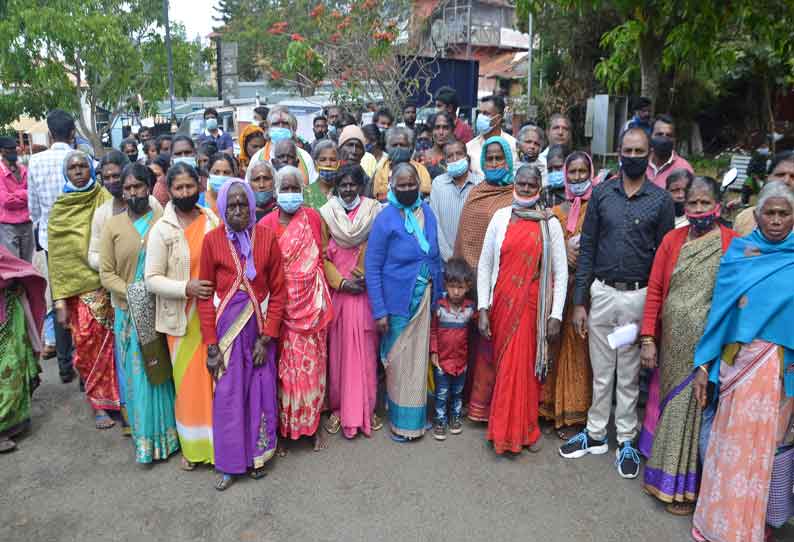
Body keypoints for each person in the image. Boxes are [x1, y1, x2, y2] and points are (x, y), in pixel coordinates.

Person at [559, 127, 675, 480]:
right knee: (600, 366)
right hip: (603, 295)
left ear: (649, 152)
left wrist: (653, 317)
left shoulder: (660, 200)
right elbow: (589, 247)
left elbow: (664, 260)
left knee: (626, 371)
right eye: (628, 150)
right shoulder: (604, 195)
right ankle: (595, 433)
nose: (634, 156)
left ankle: (625, 438)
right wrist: (580, 302)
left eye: (640, 151)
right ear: (618, 152)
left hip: (636, 299)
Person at [691, 180, 794, 542]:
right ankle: (715, 525)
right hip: (739, 366)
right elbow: (719, 314)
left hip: (778, 373)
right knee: (727, 450)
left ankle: (746, 529)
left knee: (763, 454)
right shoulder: (740, 254)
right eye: (771, 212)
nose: (777, 220)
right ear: (757, 215)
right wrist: (703, 365)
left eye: (785, 213)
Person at [637, 176, 738, 515]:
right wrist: (648, 338)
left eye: (704, 203)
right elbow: (654, 291)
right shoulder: (672, 240)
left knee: (694, 411)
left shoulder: (731, 243)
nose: (697, 209)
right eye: (692, 203)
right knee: (673, 408)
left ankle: (684, 490)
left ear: (717, 206)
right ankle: (666, 481)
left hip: (708, 347)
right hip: (671, 346)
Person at [197, 179, 286, 490]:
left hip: (259, 332)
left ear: (251, 205)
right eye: (231, 205)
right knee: (228, 395)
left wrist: (267, 337)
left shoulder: (267, 238)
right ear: (222, 208)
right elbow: (204, 296)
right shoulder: (211, 241)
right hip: (227, 335)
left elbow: (278, 291)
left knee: (259, 393)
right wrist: (211, 345)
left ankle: (256, 457)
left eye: (242, 204)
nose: (237, 210)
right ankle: (229, 464)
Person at [477, 165, 567, 454]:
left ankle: (525, 430)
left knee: (525, 369)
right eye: (522, 183)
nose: (526, 188)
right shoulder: (501, 217)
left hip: (531, 306)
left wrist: (556, 314)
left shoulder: (549, 221)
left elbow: (561, 272)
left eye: (531, 184)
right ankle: (502, 431)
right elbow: (485, 264)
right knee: (504, 367)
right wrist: (482, 307)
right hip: (502, 301)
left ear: (539, 186)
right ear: (514, 183)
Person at [99, 162, 178, 464]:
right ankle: (147, 440)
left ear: (149, 187)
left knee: (163, 372)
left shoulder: (162, 220)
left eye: (139, 186)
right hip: (129, 312)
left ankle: (170, 436)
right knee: (140, 374)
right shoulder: (113, 226)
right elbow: (106, 273)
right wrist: (134, 293)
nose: (133, 192)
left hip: (161, 309)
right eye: (128, 187)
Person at [144, 162, 219, 469]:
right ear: (170, 191)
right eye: (179, 188)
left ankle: (219, 447)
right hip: (180, 319)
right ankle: (193, 449)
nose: (185, 192)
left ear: (199, 187)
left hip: (213, 316)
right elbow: (151, 279)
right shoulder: (163, 229)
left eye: (190, 186)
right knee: (188, 386)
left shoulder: (212, 219)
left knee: (215, 382)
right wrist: (186, 288)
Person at [365, 162, 443, 442]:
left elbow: (435, 256)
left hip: (425, 297)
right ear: (392, 186)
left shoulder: (428, 214)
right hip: (397, 302)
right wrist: (380, 310)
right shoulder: (385, 219)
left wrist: (440, 295)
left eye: (412, 184)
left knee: (418, 363)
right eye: (403, 184)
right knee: (398, 362)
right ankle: (401, 423)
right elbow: (372, 267)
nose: (408, 189)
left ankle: (417, 418)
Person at [258, 165, 332, 452]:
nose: (290, 193)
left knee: (314, 370)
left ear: (303, 190)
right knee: (286, 373)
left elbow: (322, 255)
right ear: (276, 192)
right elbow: (263, 268)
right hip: (282, 309)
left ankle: (312, 427)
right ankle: (286, 430)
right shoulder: (265, 224)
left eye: (294, 188)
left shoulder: (313, 217)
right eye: (284, 188)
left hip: (312, 309)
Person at [48, 151, 119, 429]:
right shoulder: (60, 209)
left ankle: (120, 399)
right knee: (88, 345)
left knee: (116, 347)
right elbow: (58, 259)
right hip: (79, 295)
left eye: (82, 166)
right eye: (73, 167)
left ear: (91, 169)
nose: (78, 171)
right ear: (66, 173)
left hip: (110, 284)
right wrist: (60, 303)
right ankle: (99, 404)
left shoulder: (104, 198)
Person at [454, 136, 517, 421]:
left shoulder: (519, 193)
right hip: (474, 283)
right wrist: (470, 277)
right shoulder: (476, 193)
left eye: (498, 158)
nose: (493, 163)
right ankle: (473, 402)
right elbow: (465, 236)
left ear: (508, 160)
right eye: (489, 159)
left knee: (501, 343)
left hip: (505, 282)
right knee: (474, 343)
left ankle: (500, 405)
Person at [319, 163, 382, 439]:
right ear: (336, 186)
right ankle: (338, 409)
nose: (347, 189)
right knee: (339, 355)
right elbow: (322, 254)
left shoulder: (374, 211)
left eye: (352, 184)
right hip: (340, 292)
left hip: (366, 289)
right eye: (342, 184)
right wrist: (342, 282)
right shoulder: (327, 213)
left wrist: (363, 275)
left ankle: (367, 408)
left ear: (360, 185)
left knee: (366, 354)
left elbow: (379, 246)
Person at [540, 151, 597, 440]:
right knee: (552, 345)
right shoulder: (555, 212)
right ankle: (548, 408)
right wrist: (563, 252)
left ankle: (573, 413)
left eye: (581, 172)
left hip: (583, 291)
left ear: (590, 173)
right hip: (555, 289)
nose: (576, 178)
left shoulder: (599, 208)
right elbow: (544, 247)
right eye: (571, 172)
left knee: (577, 349)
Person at [27, 110, 77, 382]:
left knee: (59, 299)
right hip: (80, 240)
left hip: (51, 241)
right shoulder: (81, 160)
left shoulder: (35, 162)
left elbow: (33, 209)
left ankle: (64, 364)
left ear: (49, 134)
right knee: (82, 300)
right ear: (72, 133)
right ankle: (85, 367)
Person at [0, 246, 45, 453]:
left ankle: (10, 422)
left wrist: (16, 280)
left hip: (7, 312)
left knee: (12, 368)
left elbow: (10, 264)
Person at [430, 258, 476, 441]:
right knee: (441, 393)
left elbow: (475, 332)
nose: (456, 292)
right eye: (452, 286)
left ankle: (454, 417)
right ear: (445, 285)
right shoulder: (440, 308)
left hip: (461, 361)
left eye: (460, 287)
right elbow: (433, 331)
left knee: (457, 392)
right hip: (442, 360)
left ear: (468, 287)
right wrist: (434, 352)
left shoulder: (470, 309)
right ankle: (440, 420)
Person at [429, 140, 483, 262]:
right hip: (446, 259)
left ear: (466, 157)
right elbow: (435, 222)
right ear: (445, 161)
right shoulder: (438, 183)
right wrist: (449, 257)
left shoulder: (480, 183)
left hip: (475, 258)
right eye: (450, 156)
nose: (455, 158)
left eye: (459, 154)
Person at [733, 151, 794, 235]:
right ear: (767, 178)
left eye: (793, 177)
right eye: (780, 175)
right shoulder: (745, 218)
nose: (786, 181)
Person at [250, 108, 317, 183]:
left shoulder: (305, 157)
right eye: (275, 124)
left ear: (292, 129)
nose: (280, 127)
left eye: (285, 124)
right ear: (268, 129)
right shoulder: (257, 158)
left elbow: (313, 188)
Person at [373, 126, 432, 202]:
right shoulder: (381, 170)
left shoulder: (420, 169)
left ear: (409, 147)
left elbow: (426, 191)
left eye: (402, 145)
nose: (398, 148)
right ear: (388, 148)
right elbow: (377, 195)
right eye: (394, 145)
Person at [0, 136, 33, 262]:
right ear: (2, 151)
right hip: (8, 226)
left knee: (27, 264)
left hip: (27, 223)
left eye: (14, 148)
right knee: (13, 264)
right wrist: (25, 194)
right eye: (9, 149)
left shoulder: (24, 170)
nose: (13, 151)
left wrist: (16, 194)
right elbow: (6, 201)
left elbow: (33, 194)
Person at [467, 95, 517, 175]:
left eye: (486, 113)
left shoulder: (513, 145)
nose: (480, 117)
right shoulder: (469, 147)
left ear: (498, 118)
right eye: (479, 112)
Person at [646, 115, 694, 189]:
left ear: (674, 140)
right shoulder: (640, 163)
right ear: (650, 137)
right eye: (659, 134)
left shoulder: (684, 168)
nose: (664, 139)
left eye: (668, 135)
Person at [304, 140, 339, 209]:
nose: (328, 164)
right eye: (323, 160)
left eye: (332, 160)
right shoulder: (306, 193)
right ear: (315, 163)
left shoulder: (344, 191)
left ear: (339, 163)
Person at [423, 111, 456, 179]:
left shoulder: (458, 158)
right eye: (437, 127)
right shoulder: (422, 158)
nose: (441, 132)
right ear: (431, 131)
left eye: (445, 128)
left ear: (452, 131)